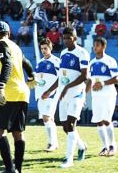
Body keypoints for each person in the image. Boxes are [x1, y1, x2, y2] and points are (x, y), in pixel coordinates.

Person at [41, 27, 89, 168]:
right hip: (63, 95)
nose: (66, 40)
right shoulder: (63, 53)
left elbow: (84, 76)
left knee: (71, 124)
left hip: (76, 94)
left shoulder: (82, 53)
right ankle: (81, 146)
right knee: (65, 127)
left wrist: (68, 87)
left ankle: (69, 159)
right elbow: (60, 76)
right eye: (65, 37)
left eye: (69, 37)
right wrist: (50, 90)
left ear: (75, 38)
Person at [0, 21, 36, 173]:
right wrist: (31, 77)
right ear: (9, 33)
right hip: (23, 92)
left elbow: (7, 64)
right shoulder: (15, 46)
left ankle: (10, 169)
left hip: (10, 92)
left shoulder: (0, 44)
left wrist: (0, 86)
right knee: (18, 132)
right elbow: (27, 63)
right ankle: (18, 168)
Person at [86, 37, 118, 157]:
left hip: (108, 95)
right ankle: (105, 147)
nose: (95, 47)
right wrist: (85, 94)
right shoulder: (92, 62)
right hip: (96, 97)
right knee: (99, 122)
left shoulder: (110, 61)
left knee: (106, 120)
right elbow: (90, 80)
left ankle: (112, 145)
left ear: (104, 46)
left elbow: (117, 78)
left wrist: (103, 83)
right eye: (94, 45)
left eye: (97, 45)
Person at [34, 39, 60, 152]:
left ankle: (51, 143)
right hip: (40, 95)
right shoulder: (39, 62)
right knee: (49, 119)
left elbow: (61, 79)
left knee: (46, 118)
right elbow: (36, 78)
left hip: (51, 94)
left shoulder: (56, 61)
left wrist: (49, 91)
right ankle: (55, 142)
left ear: (51, 48)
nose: (43, 51)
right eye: (42, 49)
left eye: (45, 48)